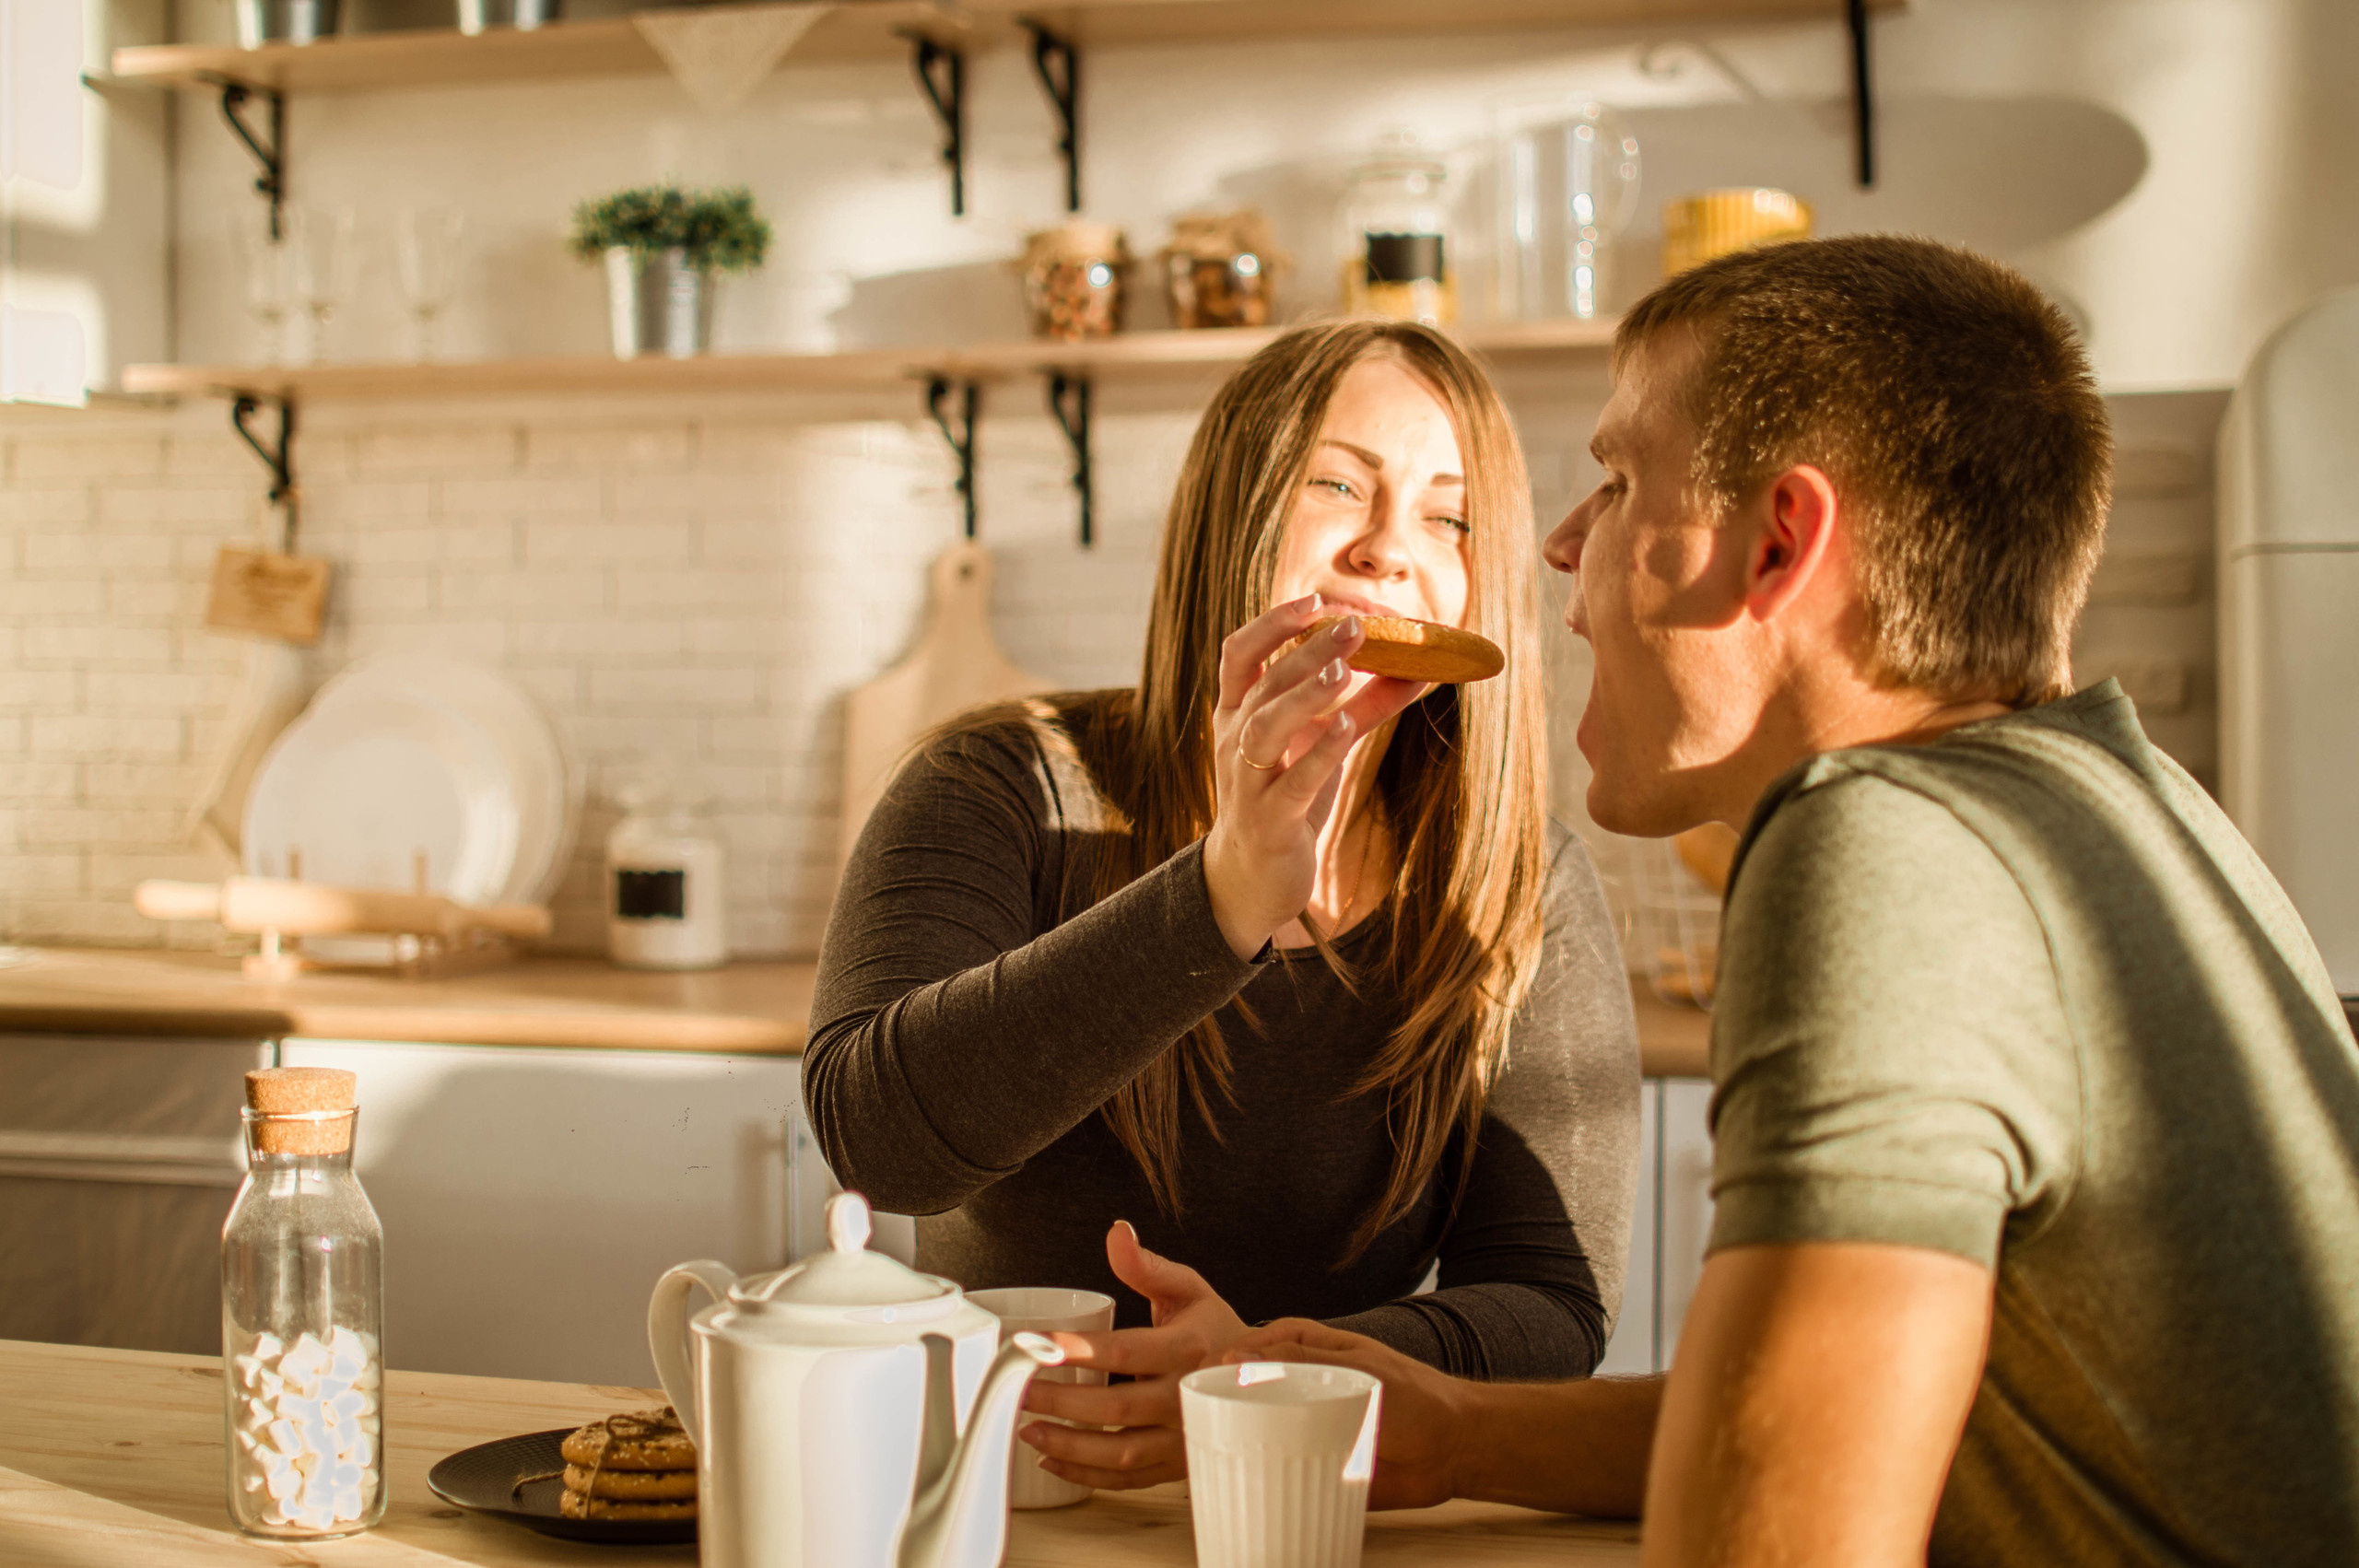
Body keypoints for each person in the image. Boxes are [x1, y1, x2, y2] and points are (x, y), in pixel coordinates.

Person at [1230, 236, 2359, 1565]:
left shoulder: (1885, 846)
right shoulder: (2122, 796)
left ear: (1777, 544)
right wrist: (1467, 1432)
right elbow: (1857, 1419)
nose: (1559, 549)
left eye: (1617, 479)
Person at [804, 319, 1641, 1493]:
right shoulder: (996, 782)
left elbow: (1554, 1305)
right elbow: (878, 1146)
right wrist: (1220, 896)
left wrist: (1264, 1373)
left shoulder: (1518, 875)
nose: (1390, 549)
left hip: (1326, 1500)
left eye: (1448, 518)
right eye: (1339, 485)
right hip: (1012, 1491)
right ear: (1231, 517)